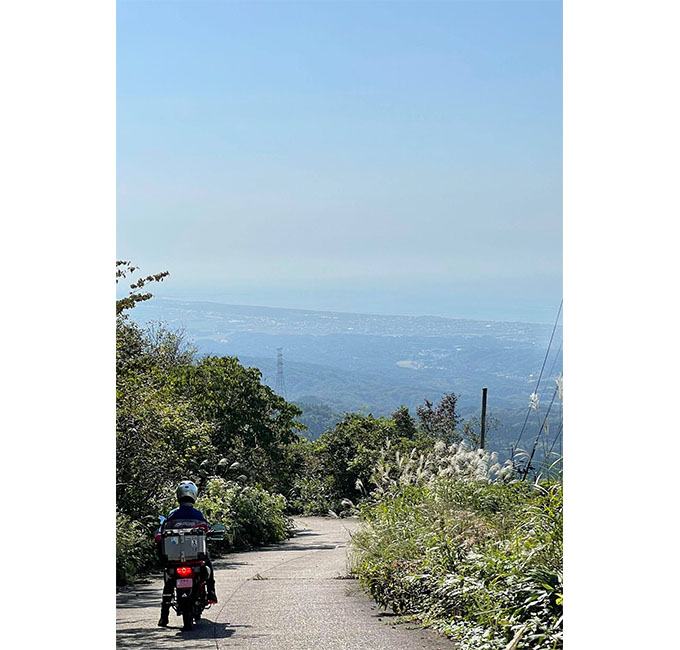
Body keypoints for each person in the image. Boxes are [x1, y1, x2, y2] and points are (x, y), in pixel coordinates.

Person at [156, 480, 218, 627]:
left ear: (179, 495)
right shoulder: (198, 514)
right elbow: (207, 529)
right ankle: (211, 592)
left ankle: (164, 617)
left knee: (168, 583)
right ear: (194, 495)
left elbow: (162, 531)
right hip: (195, 558)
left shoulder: (172, 515)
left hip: (174, 558)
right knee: (207, 562)